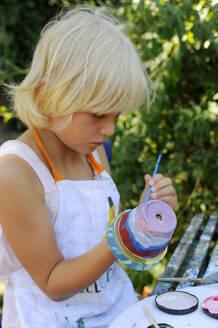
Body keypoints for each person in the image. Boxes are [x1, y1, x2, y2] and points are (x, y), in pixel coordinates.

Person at [0, 6, 177, 328]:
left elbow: (122, 256)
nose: (110, 129)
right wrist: (125, 236)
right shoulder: (16, 173)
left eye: (118, 115)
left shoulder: (92, 153)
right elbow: (53, 283)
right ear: (47, 93)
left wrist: (148, 222)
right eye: (98, 114)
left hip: (116, 312)